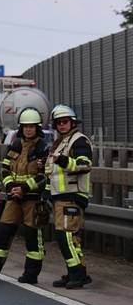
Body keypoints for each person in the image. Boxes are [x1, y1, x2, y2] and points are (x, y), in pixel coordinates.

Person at [0, 108, 49, 283]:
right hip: (14, 197)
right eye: (25, 127)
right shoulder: (15, 145)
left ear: (37, 128)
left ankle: (31, 275)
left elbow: (45, 175)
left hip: (32, 199)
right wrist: (12, 187)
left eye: (31, 127)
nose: (28, 130)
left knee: (32, 238)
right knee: (2, 232)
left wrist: (23, 188)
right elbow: (5, 169)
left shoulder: (43, 148)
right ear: (20, 128)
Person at [45, 104, 93, 289]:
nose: (61, 125)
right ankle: (78, 272)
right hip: (60, 196)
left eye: (65, 122)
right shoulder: (60, 142)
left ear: (72, 122)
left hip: (72, 195)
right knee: (71, 238)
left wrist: (62, 160)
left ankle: (77, 275)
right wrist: (47, 191)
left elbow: (84, 165)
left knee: (64, 236)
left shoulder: (79, 141)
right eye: (58, 123)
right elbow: (53, 172)